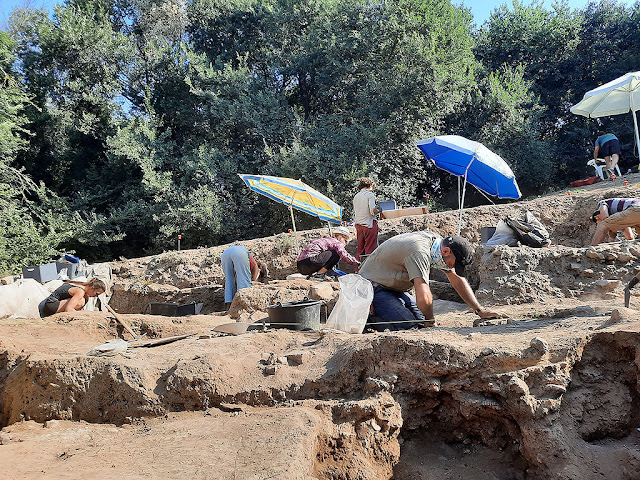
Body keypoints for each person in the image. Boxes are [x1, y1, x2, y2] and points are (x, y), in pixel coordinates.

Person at [358, 230, 504, 331]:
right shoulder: (419, 251)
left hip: (392, 288)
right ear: (446, 251)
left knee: (420, 323)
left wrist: (480, 310)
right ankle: (368, 321)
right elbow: (423, 291)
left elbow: (457, 279)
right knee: (410, 327)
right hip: (372, 287)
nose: (451, 268)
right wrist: (430, 321)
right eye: (453, 264)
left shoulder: (437, 244)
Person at [221, 245, 269, 310]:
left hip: (225, 253)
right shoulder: (257, 267)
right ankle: (243, 307)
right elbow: (254, 276)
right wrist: (253, 281)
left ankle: (228, 308)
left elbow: (235, 278)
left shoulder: (241, 264)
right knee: (244, 281)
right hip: (239, 252)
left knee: (229, 280)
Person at [40, 278, 107, 318]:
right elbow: (68, 309)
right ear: (92, 288)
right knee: (81, 301)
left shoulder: (81, 288)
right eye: (96, 294)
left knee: (84, 299)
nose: (96, 296)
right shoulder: (80, 291)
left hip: (52, 305)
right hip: (50, 306)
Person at [353, 177, 380, 260]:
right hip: (369, 224)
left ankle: (358, 269)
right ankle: (369, 270)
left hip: (359, 225)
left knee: (360, 250)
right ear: (370, 185)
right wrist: (379, 210)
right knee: (370, 249)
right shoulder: (370, 195)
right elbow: (372, 211)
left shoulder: (356, 196)